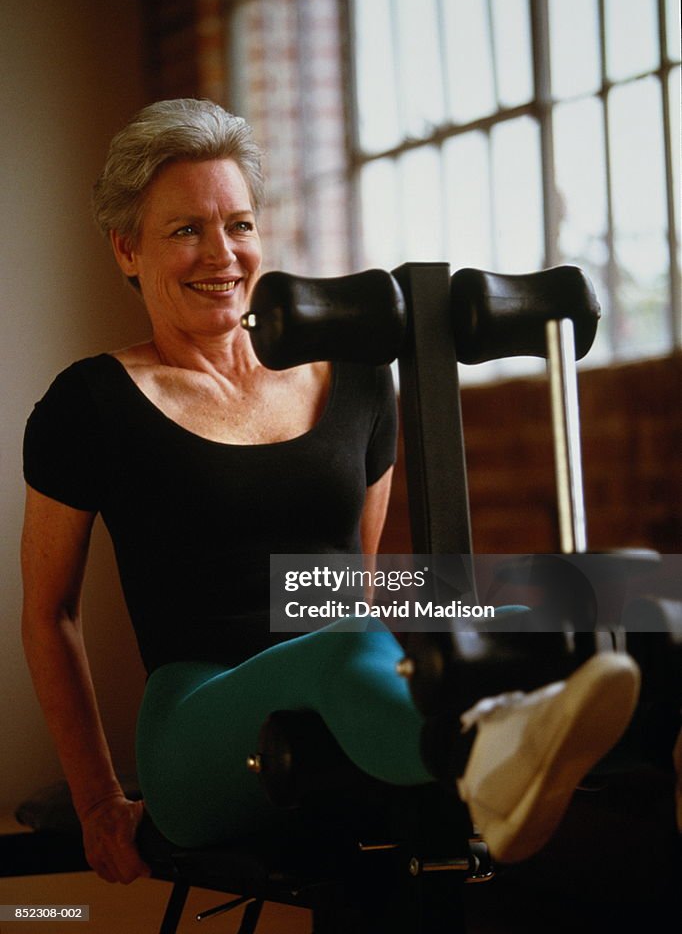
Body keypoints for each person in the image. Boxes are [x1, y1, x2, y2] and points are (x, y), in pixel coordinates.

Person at [21, 98, 640, 886]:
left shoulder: (356, 379)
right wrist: (98, 801)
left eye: (239, 224)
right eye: (186, 230)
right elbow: (49, 613)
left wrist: (536, 606)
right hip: (198, 722)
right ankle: (481, 759)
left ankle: (574, 746)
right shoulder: (91, 403)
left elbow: (353, 591)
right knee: (345, 646)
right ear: (126, 249)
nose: (223, 253)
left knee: (615, 594)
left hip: (350, 687)